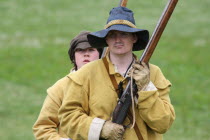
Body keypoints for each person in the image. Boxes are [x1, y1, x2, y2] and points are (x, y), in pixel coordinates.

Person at [58, 7, 175, 140]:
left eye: (124, 34)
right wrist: (101, 128)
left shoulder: (153, 73)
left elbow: (163, 124)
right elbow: (68, 118)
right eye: (112, 35)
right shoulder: (86, 73)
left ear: (134, 38)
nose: (117, 40)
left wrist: (146, 88)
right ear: (106, 40)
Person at [32, 31, 103, 140]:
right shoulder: (59, 88)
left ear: (100, 55)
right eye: (80, 50)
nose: (86, 54)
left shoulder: (110, 83)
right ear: (73, 57)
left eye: (91, 50)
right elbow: (43, 127)